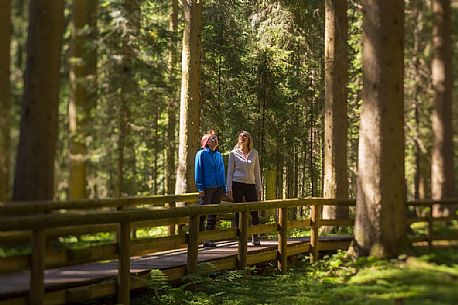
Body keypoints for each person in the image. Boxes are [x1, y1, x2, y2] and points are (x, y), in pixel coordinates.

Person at [226, 131, 262, 246]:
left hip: (250, 185)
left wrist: (259, 188)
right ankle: (240, 237)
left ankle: (255, 236)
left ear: (249, 139)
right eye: (241, 136)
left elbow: (257, 172)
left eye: (245, 136)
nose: (242, 137)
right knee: (238, 211)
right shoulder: (233, 153)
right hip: (237, 184)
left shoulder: (254, 153)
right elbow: (230, 172)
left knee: (254, 211)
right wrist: (229, 189)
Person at [195, 130, 226, 248]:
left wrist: (224, 188)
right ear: (206, 142)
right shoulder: (201, 154)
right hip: (207, 188)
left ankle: (208, 239)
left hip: (218, 188)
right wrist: (200, 187)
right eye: (211, 138)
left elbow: (222, 172)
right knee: (201, 214)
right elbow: (198, 171)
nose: (214, 140)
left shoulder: (218, 155)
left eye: (215, 138)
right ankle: (196, 237)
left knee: (213, 214)